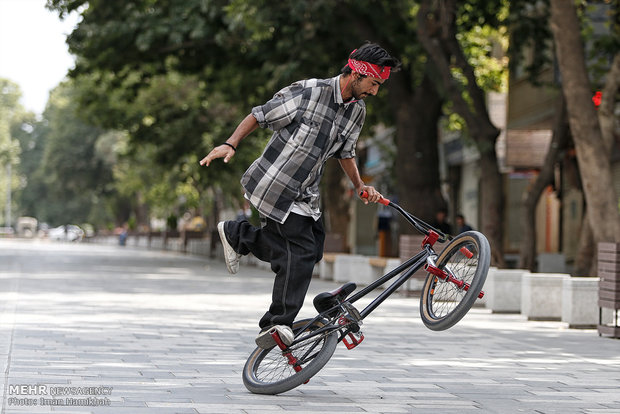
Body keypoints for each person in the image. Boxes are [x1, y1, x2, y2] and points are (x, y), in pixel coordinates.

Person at [200, 43, 400, 349]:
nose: (375, 92)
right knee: (299, 254)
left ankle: (238, 236)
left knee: (311, 252)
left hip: (306, 194)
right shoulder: (309, 92)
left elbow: (346, 152)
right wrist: (231, 144)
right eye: (374, 84)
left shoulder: (357, 111)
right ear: (358, 74)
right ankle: (276, 325)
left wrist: (359, 185)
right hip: (274, 185)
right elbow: (259, 115)